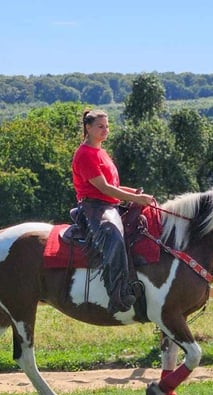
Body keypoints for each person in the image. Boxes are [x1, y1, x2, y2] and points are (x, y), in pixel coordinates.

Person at [71, 109, 155, 313]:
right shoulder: (85, 154)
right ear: (88, 127)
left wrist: (135, 193)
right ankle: (117, 294)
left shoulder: (101, 151)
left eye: (107, 126)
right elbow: (104, 189)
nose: (105, 130)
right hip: (94, 207)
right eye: (100, 126)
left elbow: (113, 186)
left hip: (108, 204)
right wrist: (136, 198)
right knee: (114, 236)